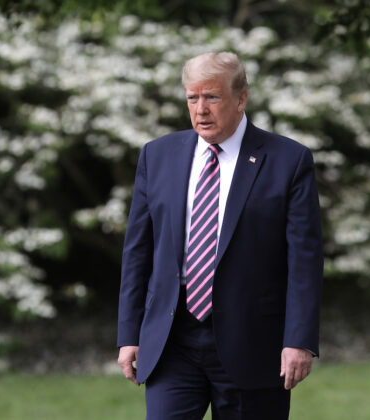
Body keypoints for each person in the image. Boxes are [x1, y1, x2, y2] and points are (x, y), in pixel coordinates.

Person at [117, 52, 323, 420]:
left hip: (253, 342)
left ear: (241, 99)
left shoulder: (288, 160)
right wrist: (129, 334)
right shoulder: (157, 156)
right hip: (172, 339)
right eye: (192, 99)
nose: (201, 110)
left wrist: (299, 340)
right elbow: (138, 252)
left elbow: (304, 261)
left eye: (212, 97)